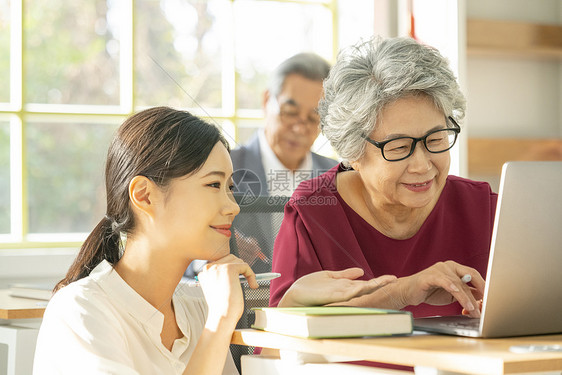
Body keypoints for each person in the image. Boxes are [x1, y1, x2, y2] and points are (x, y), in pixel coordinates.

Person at [33, 107, 395, 375]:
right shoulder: (80, 312)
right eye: (213, 185)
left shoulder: (195, 308)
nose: (233, 206)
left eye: (230, 188)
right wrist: (221, 321)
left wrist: (293, 299)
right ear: (144, 195)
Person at [269, 37, 498, 320]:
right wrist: (401, 293)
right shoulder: (314, 212)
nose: (422, 165)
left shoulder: (484, 208)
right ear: (353, 152)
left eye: (436, 139)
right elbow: (281, 337)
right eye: (400, 147)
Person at [231, 52, 338, 199]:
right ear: (266, 100)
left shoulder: (339, 177)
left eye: (314, 118)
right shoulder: (226, 172)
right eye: (290, 112)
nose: (299, 129)